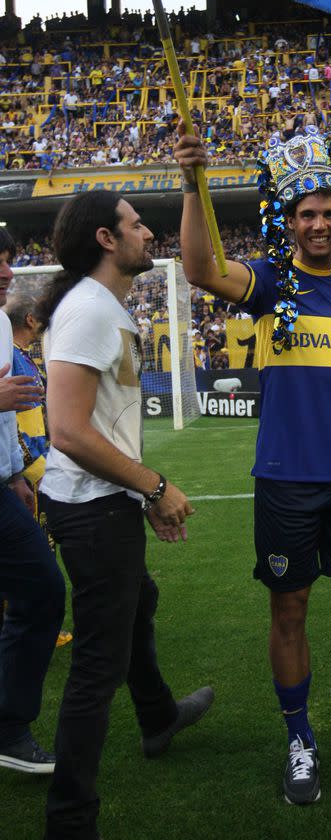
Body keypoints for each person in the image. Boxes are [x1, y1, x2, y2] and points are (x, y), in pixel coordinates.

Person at [174, 123, 331, 805]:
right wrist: (193, 183)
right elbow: (199, 268)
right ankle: (300, 739)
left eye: (329, 213)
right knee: (289, 611)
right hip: (285, 478)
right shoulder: (271, 281)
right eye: (307, 214)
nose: (319, 224)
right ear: (289, 219)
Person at [39, 191, 214, 840]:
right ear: (108, 240)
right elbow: (68, 430)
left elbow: (103, 425)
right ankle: (70, 819)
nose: (149, 232)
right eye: (137, 223)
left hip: (99, 502)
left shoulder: (101, 307)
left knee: (139, 603)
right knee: (96, 665)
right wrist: (156, 486)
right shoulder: (88, 309)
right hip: (90, 509)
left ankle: (158, 714)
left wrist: (137, 493)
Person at [0, 228, 66, 775]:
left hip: (2, 486)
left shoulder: (1, 323)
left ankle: (9, 725)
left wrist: (14, 472)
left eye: (6, 261)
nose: (6, 273)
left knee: (40, 589)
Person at [8, 286, 73, 648]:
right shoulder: (16, 360)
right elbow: (18, 424)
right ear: (31, 320)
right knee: (36, 555)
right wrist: (34, 466)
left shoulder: (22, 356)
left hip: (32, 467)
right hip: (29, 475)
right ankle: (34, 628)